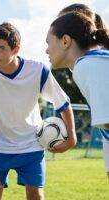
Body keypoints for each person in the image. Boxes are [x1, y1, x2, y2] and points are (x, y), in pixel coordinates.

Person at [0, 22, 77, 200]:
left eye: (0, 48)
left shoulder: (38, 71)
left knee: (36, 196)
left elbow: (63, 103)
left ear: (15, 49)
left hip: (32, 145)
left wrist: (71, 137)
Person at [45, 12, 109, 177]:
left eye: (48, 42)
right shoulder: (93, 61)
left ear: (65, 41)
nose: (46, 50)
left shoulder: (86, 66)